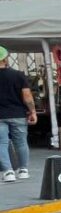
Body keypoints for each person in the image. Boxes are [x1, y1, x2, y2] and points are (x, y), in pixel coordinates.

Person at [0, 46, 37, 183]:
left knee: (1, 143)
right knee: (21, 142)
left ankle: (8, 171)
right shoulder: (18, 75)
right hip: (18, 114)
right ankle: (23, 170)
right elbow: (27, 96)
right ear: (5, 58)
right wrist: (32, 111)